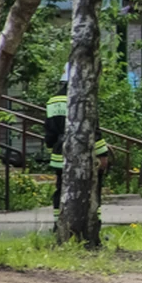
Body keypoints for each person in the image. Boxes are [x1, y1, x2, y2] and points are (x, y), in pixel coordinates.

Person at [44, 74, 109, 225]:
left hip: (60, 154)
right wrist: (102, 154)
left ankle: (58, 224)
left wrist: (54, 146)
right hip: (83, 152)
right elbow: (93, 129)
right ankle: (93, 223)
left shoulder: (52, 101)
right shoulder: (83, 99)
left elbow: (49, 133)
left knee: (61, 189)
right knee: (91, 188)